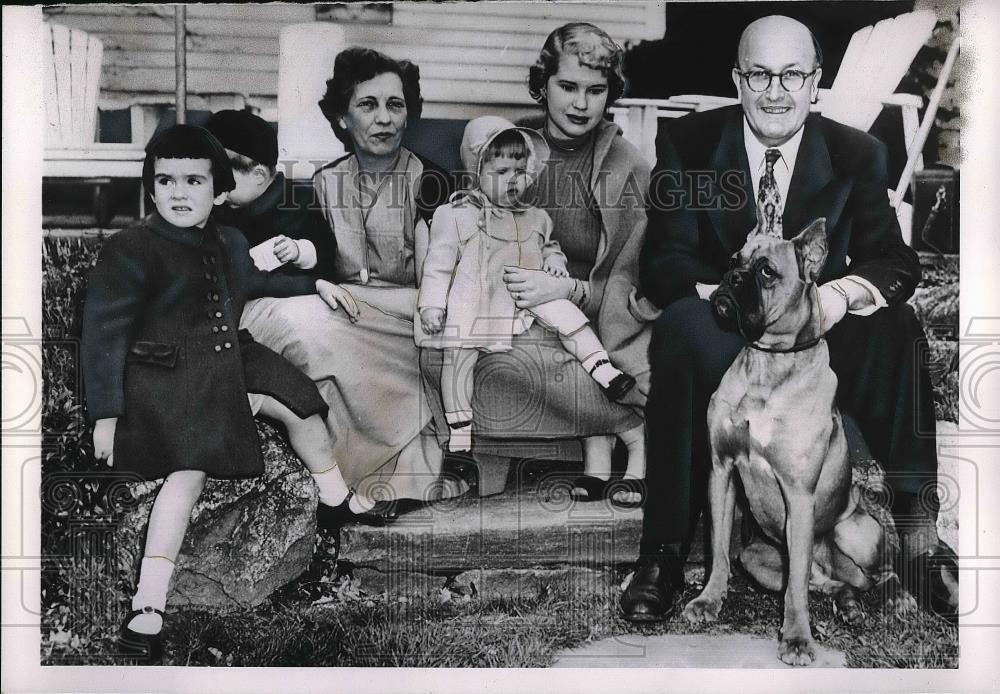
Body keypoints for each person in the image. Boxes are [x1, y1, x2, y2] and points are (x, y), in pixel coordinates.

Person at [622, 15, 959, 622]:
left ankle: (918, 539)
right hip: (726, 328)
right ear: (737, 79)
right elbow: (663, 263)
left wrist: (837, 296)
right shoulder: (690, 143)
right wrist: (731, 292)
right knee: (678, 331)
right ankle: (665, 552)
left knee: (896, 326)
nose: (775, 91)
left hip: (817, 333)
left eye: (792, 75)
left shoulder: (859, 152)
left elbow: (895, 260)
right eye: (759, 74)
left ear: (815, 82)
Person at [81, 125, 371, 662]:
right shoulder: (131, 249)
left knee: (303, 405)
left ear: (219, 190)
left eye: (194, 180)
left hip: (232, 359)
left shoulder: (232, 242)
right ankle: (149, 606)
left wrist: (319, 283)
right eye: (165, 180)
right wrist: (105, 415)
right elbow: (103, 335)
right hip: (169, 376)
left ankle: (335, 500)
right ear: (150, 187)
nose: (179, 191)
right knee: (187, 473)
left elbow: (265, 282)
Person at [421, 23, 655, 506]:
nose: (580, 103)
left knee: (574, 355)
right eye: (567, 86)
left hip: (599, 310)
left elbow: (635, 276)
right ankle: (577, 444)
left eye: (596, 90)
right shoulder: (513, 148)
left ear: (610, 94)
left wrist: (567, 291)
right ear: (543, 84)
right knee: (454, 349)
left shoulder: (626, 164)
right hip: (513, 303)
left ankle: (634, 441)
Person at [238, 47, 463, 516]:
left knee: (315, 329)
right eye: (368, 105)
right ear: (342, 117)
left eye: (395, 105)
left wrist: (355, 297)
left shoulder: (432, 183)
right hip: (344, 318)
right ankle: (337, 480)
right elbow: (311, 266)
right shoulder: (322, 184)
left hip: (414, 323)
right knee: (285, 323)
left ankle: (388, 480)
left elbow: (439, 293)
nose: (384, 119)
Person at [417, 116, 636, 452]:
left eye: (519, 172)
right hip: (481, 297)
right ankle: (460, 426)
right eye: (501, 173)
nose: (513, 181)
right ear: (476, 172)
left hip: (530, 292)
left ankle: (603, 368)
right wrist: (433, 304)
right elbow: (438, 264)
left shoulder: (535, 215)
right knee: (458, 356)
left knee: (568, 317)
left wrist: (554, 263)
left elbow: (550, 245)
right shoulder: (456, 214)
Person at [203, 109, 334, 278]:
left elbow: (326, 259)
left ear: (259, 175)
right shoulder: (218, 207)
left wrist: (300, 252)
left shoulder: (299, 203)